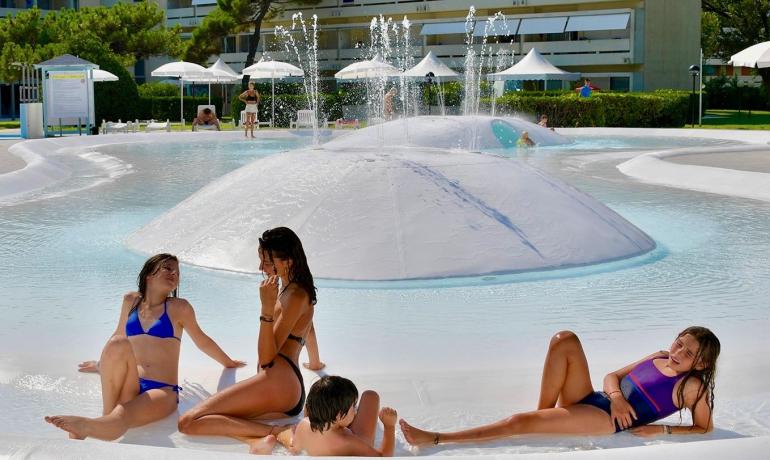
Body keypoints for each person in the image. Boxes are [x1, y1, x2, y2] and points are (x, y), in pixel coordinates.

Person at [400, 327, 720, 446]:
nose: (677, 353)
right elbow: (611, 376)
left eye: (688, 353)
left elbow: (704, 428)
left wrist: (659, 431)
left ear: (701, 364)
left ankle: (438, 439)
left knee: (515, 423)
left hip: (605, 421)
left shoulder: (692, 387)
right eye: (679, 343)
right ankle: (540, 417)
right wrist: (617, 397)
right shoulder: (659, 355)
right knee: (564, 340)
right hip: (599, 399)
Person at [44, 254, 245, 441]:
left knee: (124, 415)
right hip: (132, 381)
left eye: (177, 272)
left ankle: (90, 426)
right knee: (117, 343)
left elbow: (202, 340)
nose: (173, 274)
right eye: (167, 268)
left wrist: (228, 362)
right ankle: (105, 420)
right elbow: (117, 335)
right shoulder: (130, 301)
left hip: (161, 390)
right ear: (149, 274)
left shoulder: (179, 308)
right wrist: (101, 365)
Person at [177, 227, 318, 453]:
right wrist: (316, 362)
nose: (261, 268)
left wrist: (266, 308)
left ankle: (275, 432)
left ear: (287, 262)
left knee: (188, 422)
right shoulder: (294, 290)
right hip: (283, 387)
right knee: (217, 417)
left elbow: (266, 359)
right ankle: (258, 437)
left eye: (267, 261)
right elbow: (309, 329)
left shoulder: (295, 294)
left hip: (278, 382)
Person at [272, 376, 397, 456]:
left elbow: (295, 448)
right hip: (354, 441)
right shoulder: (348, 442)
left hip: (325, 433)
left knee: (324, 401)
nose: (356, 410)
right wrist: (389, 426)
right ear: (338, 416)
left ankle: (336, 408)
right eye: (353, 407)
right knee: (371, 396)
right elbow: (383, 458)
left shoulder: (304, 424)